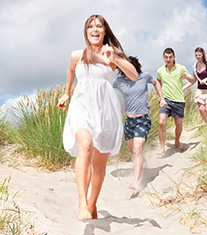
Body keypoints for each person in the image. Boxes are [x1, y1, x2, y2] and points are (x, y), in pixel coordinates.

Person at [57, 14, 138, 221]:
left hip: (105, 110)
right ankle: (82, 202)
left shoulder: (113, 53)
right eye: (90, 26)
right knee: (84, 145)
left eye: (99, 26)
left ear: (104, 31)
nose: (95, 29)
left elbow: (134, 76)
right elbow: (71, 70)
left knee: (100, 163)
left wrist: (115, 59)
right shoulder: (78, 54)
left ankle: (92, 204)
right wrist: (66, 93)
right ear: (86, 32)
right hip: (82, 105)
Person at [114, 56, 167, 190]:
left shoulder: (144, 76)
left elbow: (156, 83)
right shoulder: (118, 81)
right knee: (134, 151)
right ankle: (142, 162)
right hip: (128, 121)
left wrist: (162, 98)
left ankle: (137, 182)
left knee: (137, 150)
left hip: (142, 120)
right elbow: (109, 92)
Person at [156, 47, 193, 155]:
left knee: (179, 125)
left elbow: (193, 80)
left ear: (174, 57)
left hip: (179, 100)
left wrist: (187, 77)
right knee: (161, 122)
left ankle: (177, 141)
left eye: (170, 57)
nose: (168, 59)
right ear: (163, 57)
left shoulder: (181, 68)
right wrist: (161, 97)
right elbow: (158, 83)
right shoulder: (160, 70)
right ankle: (162, 147)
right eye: (166, 57)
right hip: (166, 100)